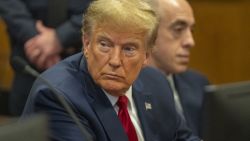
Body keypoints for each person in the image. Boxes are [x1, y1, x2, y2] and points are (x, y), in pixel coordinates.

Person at [21, 0, 200, 140]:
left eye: (129, 49)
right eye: (105, 45)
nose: (115, 61)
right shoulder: (58, 96)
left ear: (146, 56)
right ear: (87, 43)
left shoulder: (156, 83)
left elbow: (184, 138)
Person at [0, 0, 91, 116]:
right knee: (26, 127)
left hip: (81, 63)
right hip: (29, 60)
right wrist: (36, 39)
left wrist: (60, 37)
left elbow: (103, 6)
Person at [147, 0, 209, 137]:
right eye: (179, 29)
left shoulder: (199, 84)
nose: (190, 41)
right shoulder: (126, 90)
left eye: (191, 30)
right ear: (148, 32)